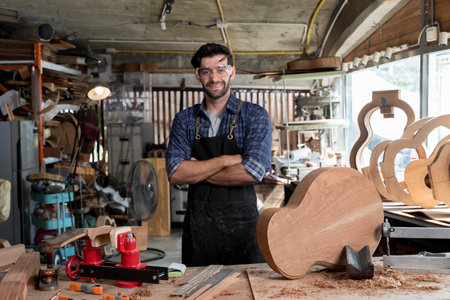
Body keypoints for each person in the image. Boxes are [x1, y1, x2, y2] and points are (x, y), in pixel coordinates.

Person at [165, 43, 272, 267]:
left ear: (232, 71)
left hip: (243, 230)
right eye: (206, 71)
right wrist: (225, 161)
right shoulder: (184, 120)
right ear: (198, 75)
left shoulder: (254, 115)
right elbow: (175, 172)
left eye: (220, 69)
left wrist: (196, 169)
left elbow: (253, 172)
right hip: (199, 230)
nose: (214, 77)